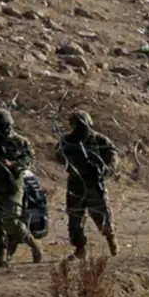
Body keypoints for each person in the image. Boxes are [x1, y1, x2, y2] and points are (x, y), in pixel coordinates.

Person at [0, 109, 42, 266]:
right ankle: (1, 255)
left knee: (11, 221)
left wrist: (13, 165)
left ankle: (34, 245)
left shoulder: (20, 141)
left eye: (3, 125)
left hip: (12, 185)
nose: (1, 129)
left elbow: (29, 158)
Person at [57, 110, 119, 260]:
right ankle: (80, 248)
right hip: (76, 183)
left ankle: (111, 239)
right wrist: (72, 161)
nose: (81, 129)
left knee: (102, 215)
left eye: (83, 125)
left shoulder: (99, 140)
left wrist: (104, 169)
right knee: (75, 218)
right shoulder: (68, 141)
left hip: (94, 183)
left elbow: (113, 155)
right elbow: (59, 154)